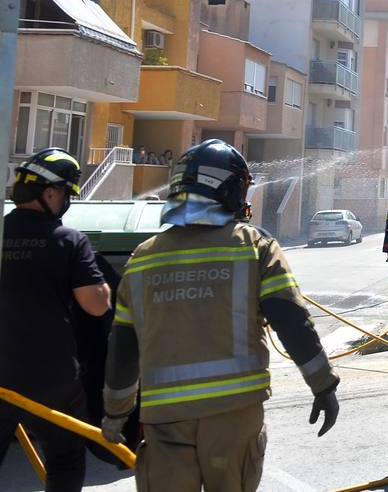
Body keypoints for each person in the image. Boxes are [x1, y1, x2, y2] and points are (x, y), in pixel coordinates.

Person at [101, 139, 340, 491]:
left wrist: (116, 412)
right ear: (229, 190)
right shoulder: (255, 247)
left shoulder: (142, 258)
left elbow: (123, 347)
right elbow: (292, 321)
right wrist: (323, 385)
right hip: (233, 415)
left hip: (165, 419)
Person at [0, 148, 111, 492]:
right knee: (65, 461)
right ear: (49, 193)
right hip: (52, 380)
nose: (66, 202)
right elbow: (96, 305)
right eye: (65, 193)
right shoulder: (68, 241)